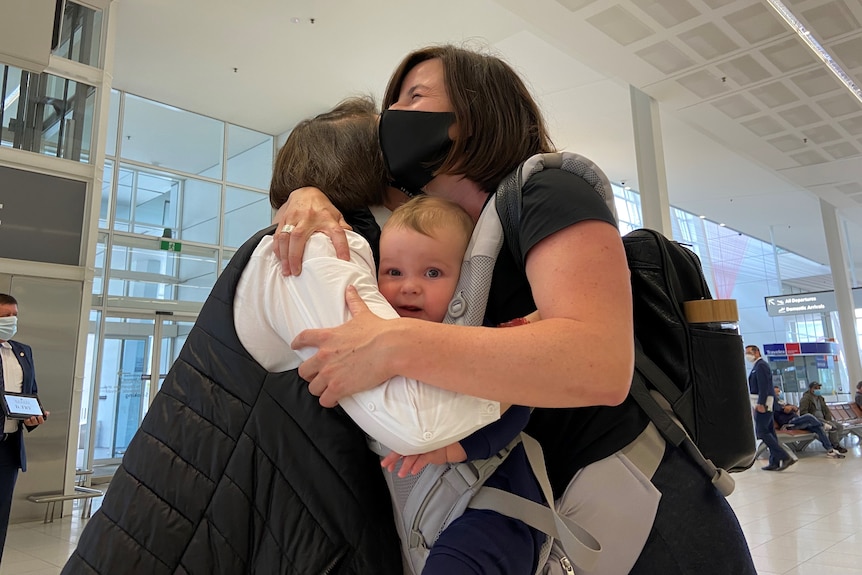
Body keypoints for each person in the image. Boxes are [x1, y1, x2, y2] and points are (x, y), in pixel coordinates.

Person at [278, 44, 756, 574]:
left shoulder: (550, 190)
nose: (393, 118)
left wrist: (393, 347)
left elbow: (597, 361)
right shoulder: (440, 232)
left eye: (415, 96)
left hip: (643, 509)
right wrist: (307, 194)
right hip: (548, 518)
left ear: (478, 109)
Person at [375, 195, 543, 574]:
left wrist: (456, 447)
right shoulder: (378, 342)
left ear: (466, 281)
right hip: (419, 511)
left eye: (432, 273)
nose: (409, 287)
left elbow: (517, 403)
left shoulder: (477, 342)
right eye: (393, 272)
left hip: (491, 496)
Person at [0, 294, 48, 563]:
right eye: (5, 316)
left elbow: (30, 395)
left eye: (14, 315)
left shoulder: (22, 351)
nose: (11, 321)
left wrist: (34, 416)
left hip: (8, 449)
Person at [746, 345, 794, 472]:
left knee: (762, 432)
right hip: (762, 403)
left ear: (757, 352)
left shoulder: (761, 365)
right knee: (770, 432)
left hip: (764, 404)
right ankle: (774, 461)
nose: (747, 356)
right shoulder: (757, 366)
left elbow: (764, 386)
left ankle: (785, 456)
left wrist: (761, 403)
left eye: (749, 352)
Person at [773, 386, 844, 458]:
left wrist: (792, 407)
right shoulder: (774, 404)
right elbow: (786, 410)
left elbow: (795, 408)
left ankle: (830, 450)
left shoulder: (782, 402)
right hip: (789, 424)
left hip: (797, 421)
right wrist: (791, 408)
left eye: (779, 391)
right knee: (808, 416)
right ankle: (823, 424)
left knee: (818, 428)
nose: (779, 393)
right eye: (777, 392)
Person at [799, 381, 847, 453]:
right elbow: (803, 412)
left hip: (823, 419)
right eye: (815, 388)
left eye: (819, 388)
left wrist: (828, 420)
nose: (817, 390)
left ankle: (834, 442)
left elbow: (826, 410)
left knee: (839, 426)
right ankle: (836, 445)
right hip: (814, 420)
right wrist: (813, 420)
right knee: (832, 427)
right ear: (810, 389)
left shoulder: (821, 399)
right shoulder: (805, 399)